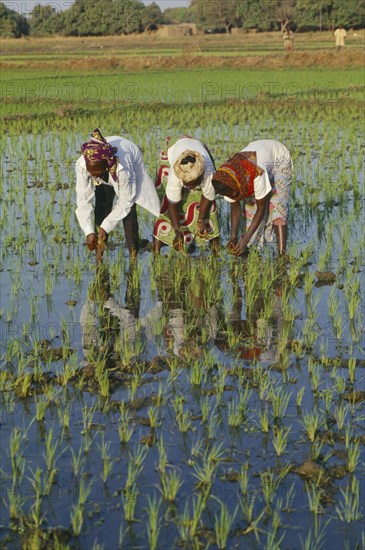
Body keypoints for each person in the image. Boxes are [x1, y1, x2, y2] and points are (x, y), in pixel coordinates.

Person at [75, 128, 160, 260]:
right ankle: (99, 251)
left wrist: (106, 226)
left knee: (130, 209)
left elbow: (126, 202)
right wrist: (89, 231)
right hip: (106, 167)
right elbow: (83, 200)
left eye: (97, 171)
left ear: (106, 165)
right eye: (91, 171)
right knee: (102, 205)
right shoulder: (82, 166)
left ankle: (133, 251)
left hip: (130, 158)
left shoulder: (123, 170)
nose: (93, 175)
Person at [212, 139, 293, 256]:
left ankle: (282, 255)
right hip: (259, 157)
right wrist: (233, 237)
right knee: (249, 211)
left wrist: (245, 239)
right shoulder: (227, 179)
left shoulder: (256, 174)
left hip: (279, 161)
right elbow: (235, 208)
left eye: (235, 193)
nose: (235, 197)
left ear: (238, 184)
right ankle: (253, 250)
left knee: (277, 207)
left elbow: (261, 208)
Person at [153, 136, 220, 254]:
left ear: (200, 177)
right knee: (164, 205)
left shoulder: (208, 172)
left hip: (198, 146)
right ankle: (158, 247)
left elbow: (208, 196)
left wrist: (201, 219)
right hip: (173, 148)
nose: (189, 188)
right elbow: (172, 203)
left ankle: (212, 245)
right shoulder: (176, 173)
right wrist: (177, 231)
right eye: (186, 184)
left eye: (192, 185)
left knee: (210, 207)